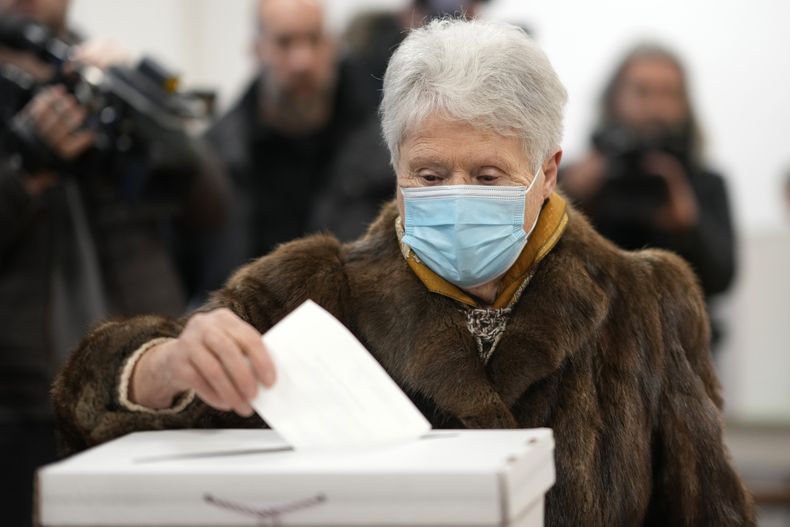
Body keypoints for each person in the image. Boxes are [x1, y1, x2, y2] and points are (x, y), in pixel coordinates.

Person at [53, 19, 754, 525]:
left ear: (547, 170)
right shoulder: (314, 289)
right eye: (429, 172)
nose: (456, 193)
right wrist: (166, 365)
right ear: (393, 169)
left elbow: (705, 509)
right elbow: (92, 401)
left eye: (487, 174)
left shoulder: (645, 299)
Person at [0, 1, 228, 524]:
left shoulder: (104, 74)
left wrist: (155, 118)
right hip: (21, 402)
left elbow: (214, 210)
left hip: (143, 377)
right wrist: (24, 168)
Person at [202, 0, 374, 295]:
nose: (302, 61)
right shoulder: (217, 157)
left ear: (333, 45)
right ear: (257, 49)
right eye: (284, 42)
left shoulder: (383, 141)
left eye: (314, 39)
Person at [560, 45, 736, 319]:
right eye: (642, 91)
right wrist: (568, 201)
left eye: (669, 94)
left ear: (684, 103)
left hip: (682, 347)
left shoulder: (705, 183)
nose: (656, 107)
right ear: (615, 98)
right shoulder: (578, 179)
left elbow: (722, 280)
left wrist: (689, 228)